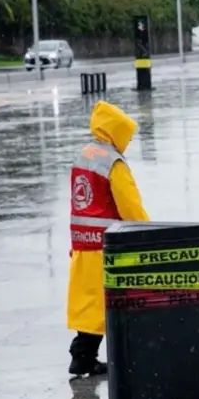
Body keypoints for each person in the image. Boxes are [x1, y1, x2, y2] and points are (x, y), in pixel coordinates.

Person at [67, 101, 149, 377]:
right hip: (106, 244)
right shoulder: (113, 161)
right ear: (117, 132)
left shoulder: (84, 155)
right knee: (108, 301)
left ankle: (84, 356)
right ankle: (84, 356)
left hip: (83, 243)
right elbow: (130, 206)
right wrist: (148, 233)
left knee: (89, 302)